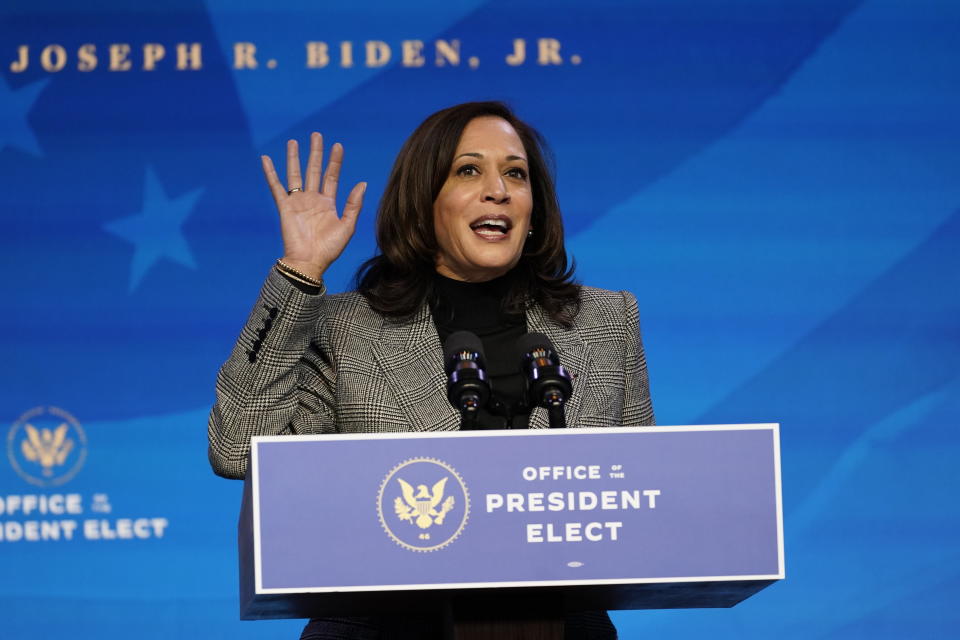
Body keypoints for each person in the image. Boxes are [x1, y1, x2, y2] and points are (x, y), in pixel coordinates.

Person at [208, 101, 654, 640]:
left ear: (534, 208)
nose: (499, 190)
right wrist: (300, 270)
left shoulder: (607, 322)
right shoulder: (346, 329)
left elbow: (636, 501)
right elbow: (237, 448)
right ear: (424, 205)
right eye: (469, 170)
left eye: (516, 173)